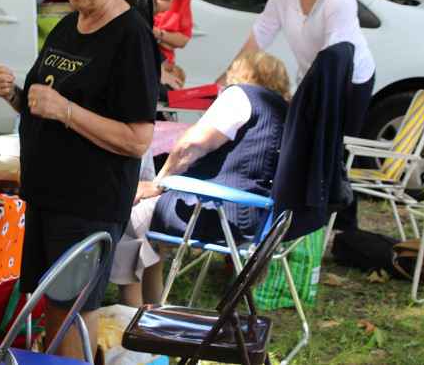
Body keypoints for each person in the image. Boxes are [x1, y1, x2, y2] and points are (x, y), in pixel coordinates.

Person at [0, 0, 159, 359]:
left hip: (89, 204)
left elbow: (138, 139)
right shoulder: (68, 27)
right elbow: (39, 106)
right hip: (46, 197)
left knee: (73, 312)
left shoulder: (132, 38)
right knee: (53, 306)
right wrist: (15, 96)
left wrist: (66, 110)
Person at [220, 0, 376, 230]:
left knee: (334, 149)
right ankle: (308, 218)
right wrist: (230, 75)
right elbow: (261, 33)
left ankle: (343, 224)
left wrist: (304, 94)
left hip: (349, 80)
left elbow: (336, 52)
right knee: (306, 145)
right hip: (313, 76)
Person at [111, 51, 290, 306]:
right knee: (151, 229)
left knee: (131, 213)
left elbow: (191, 145)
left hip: (219, 212)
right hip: (255, 218)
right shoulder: (281, 110)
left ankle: (130, 311)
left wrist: (160, 183)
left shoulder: (241, 96)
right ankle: (153, 306)